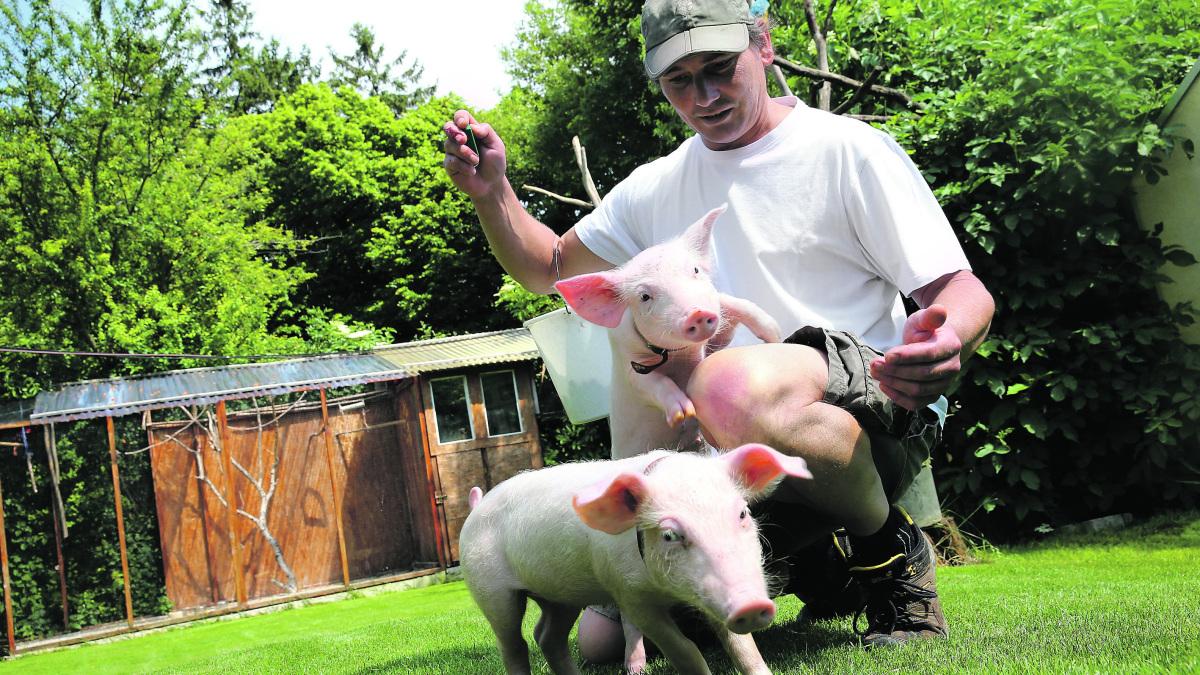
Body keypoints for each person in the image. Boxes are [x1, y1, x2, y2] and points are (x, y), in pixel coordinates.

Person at [442, 0, 994, 656]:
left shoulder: (847, 150)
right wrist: (493, 194)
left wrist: (948, 338)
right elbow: (550, 266)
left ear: (763, 45)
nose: (704, 96)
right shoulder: (653, 187)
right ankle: (819, 564)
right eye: (679, 80)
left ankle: (888, 553)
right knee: (600, 641)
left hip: (868, 415)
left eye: (720, 68)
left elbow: (961, 291)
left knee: (724, 381)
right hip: (724, 460)